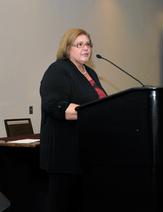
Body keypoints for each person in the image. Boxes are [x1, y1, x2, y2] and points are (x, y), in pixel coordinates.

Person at [39, 28, 107, 212]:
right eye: (79, 44)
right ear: (68, 48)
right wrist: (94, 112)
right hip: (65, 154)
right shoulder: (58, 70)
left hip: (88, 153)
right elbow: (55, 106)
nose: (86, 48)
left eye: (88, 44)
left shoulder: (90, 73)